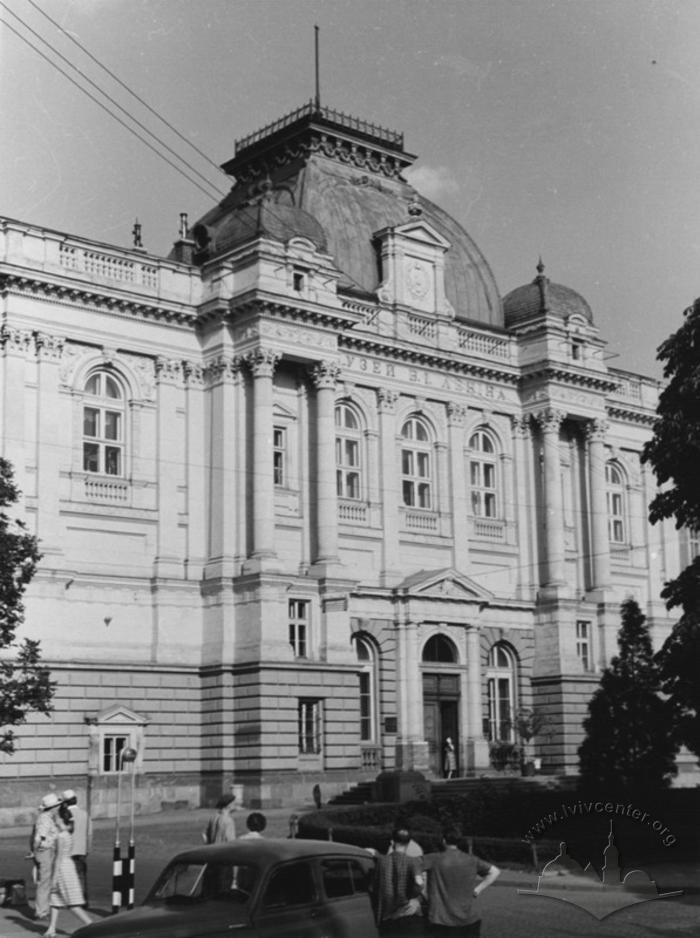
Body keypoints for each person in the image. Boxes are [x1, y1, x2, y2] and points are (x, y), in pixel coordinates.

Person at [422, 828, 500, 937]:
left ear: (443, 840)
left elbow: (411, 866)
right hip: (468, 919)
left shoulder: (433, 858)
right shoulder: (472, 860)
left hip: (440, 918)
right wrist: (478, 889)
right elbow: (495, 872)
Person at [43, 802, 92, 937]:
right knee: (55, 899)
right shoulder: (67, 834)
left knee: (72, 902)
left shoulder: (60, 836)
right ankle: (51, 928)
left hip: (62, 868)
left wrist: (53, 879)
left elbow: (58, 858)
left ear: (60, 820)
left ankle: (91, 924)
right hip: (67, 865)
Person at [372, 827, 425, 934]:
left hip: (387, 916)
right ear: (409, 842)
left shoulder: (381, 862)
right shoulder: (413, 862)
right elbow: (419, 883)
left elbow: (374, 887)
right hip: (407, 914)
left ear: (392, 841)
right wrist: (414, 896)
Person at [30, 793, 62, 921]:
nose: (58, 808)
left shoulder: (48, 817)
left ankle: (43, 908)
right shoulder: (45, 819)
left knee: (45, 881)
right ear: (53, 807)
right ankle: (41, 911)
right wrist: (35, 851)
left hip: (46, 851)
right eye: (57, 806)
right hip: (44, 851)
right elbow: (39, 837)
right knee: (44, 882)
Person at [61, 789, 90, 904]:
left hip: (67, 850)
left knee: (67, 876)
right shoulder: (85, 814)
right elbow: (89, 833)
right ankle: (84, 899)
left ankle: (72, 900)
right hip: (81, 849)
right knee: (82, 875)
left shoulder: (64, 815)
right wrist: (88, 849)